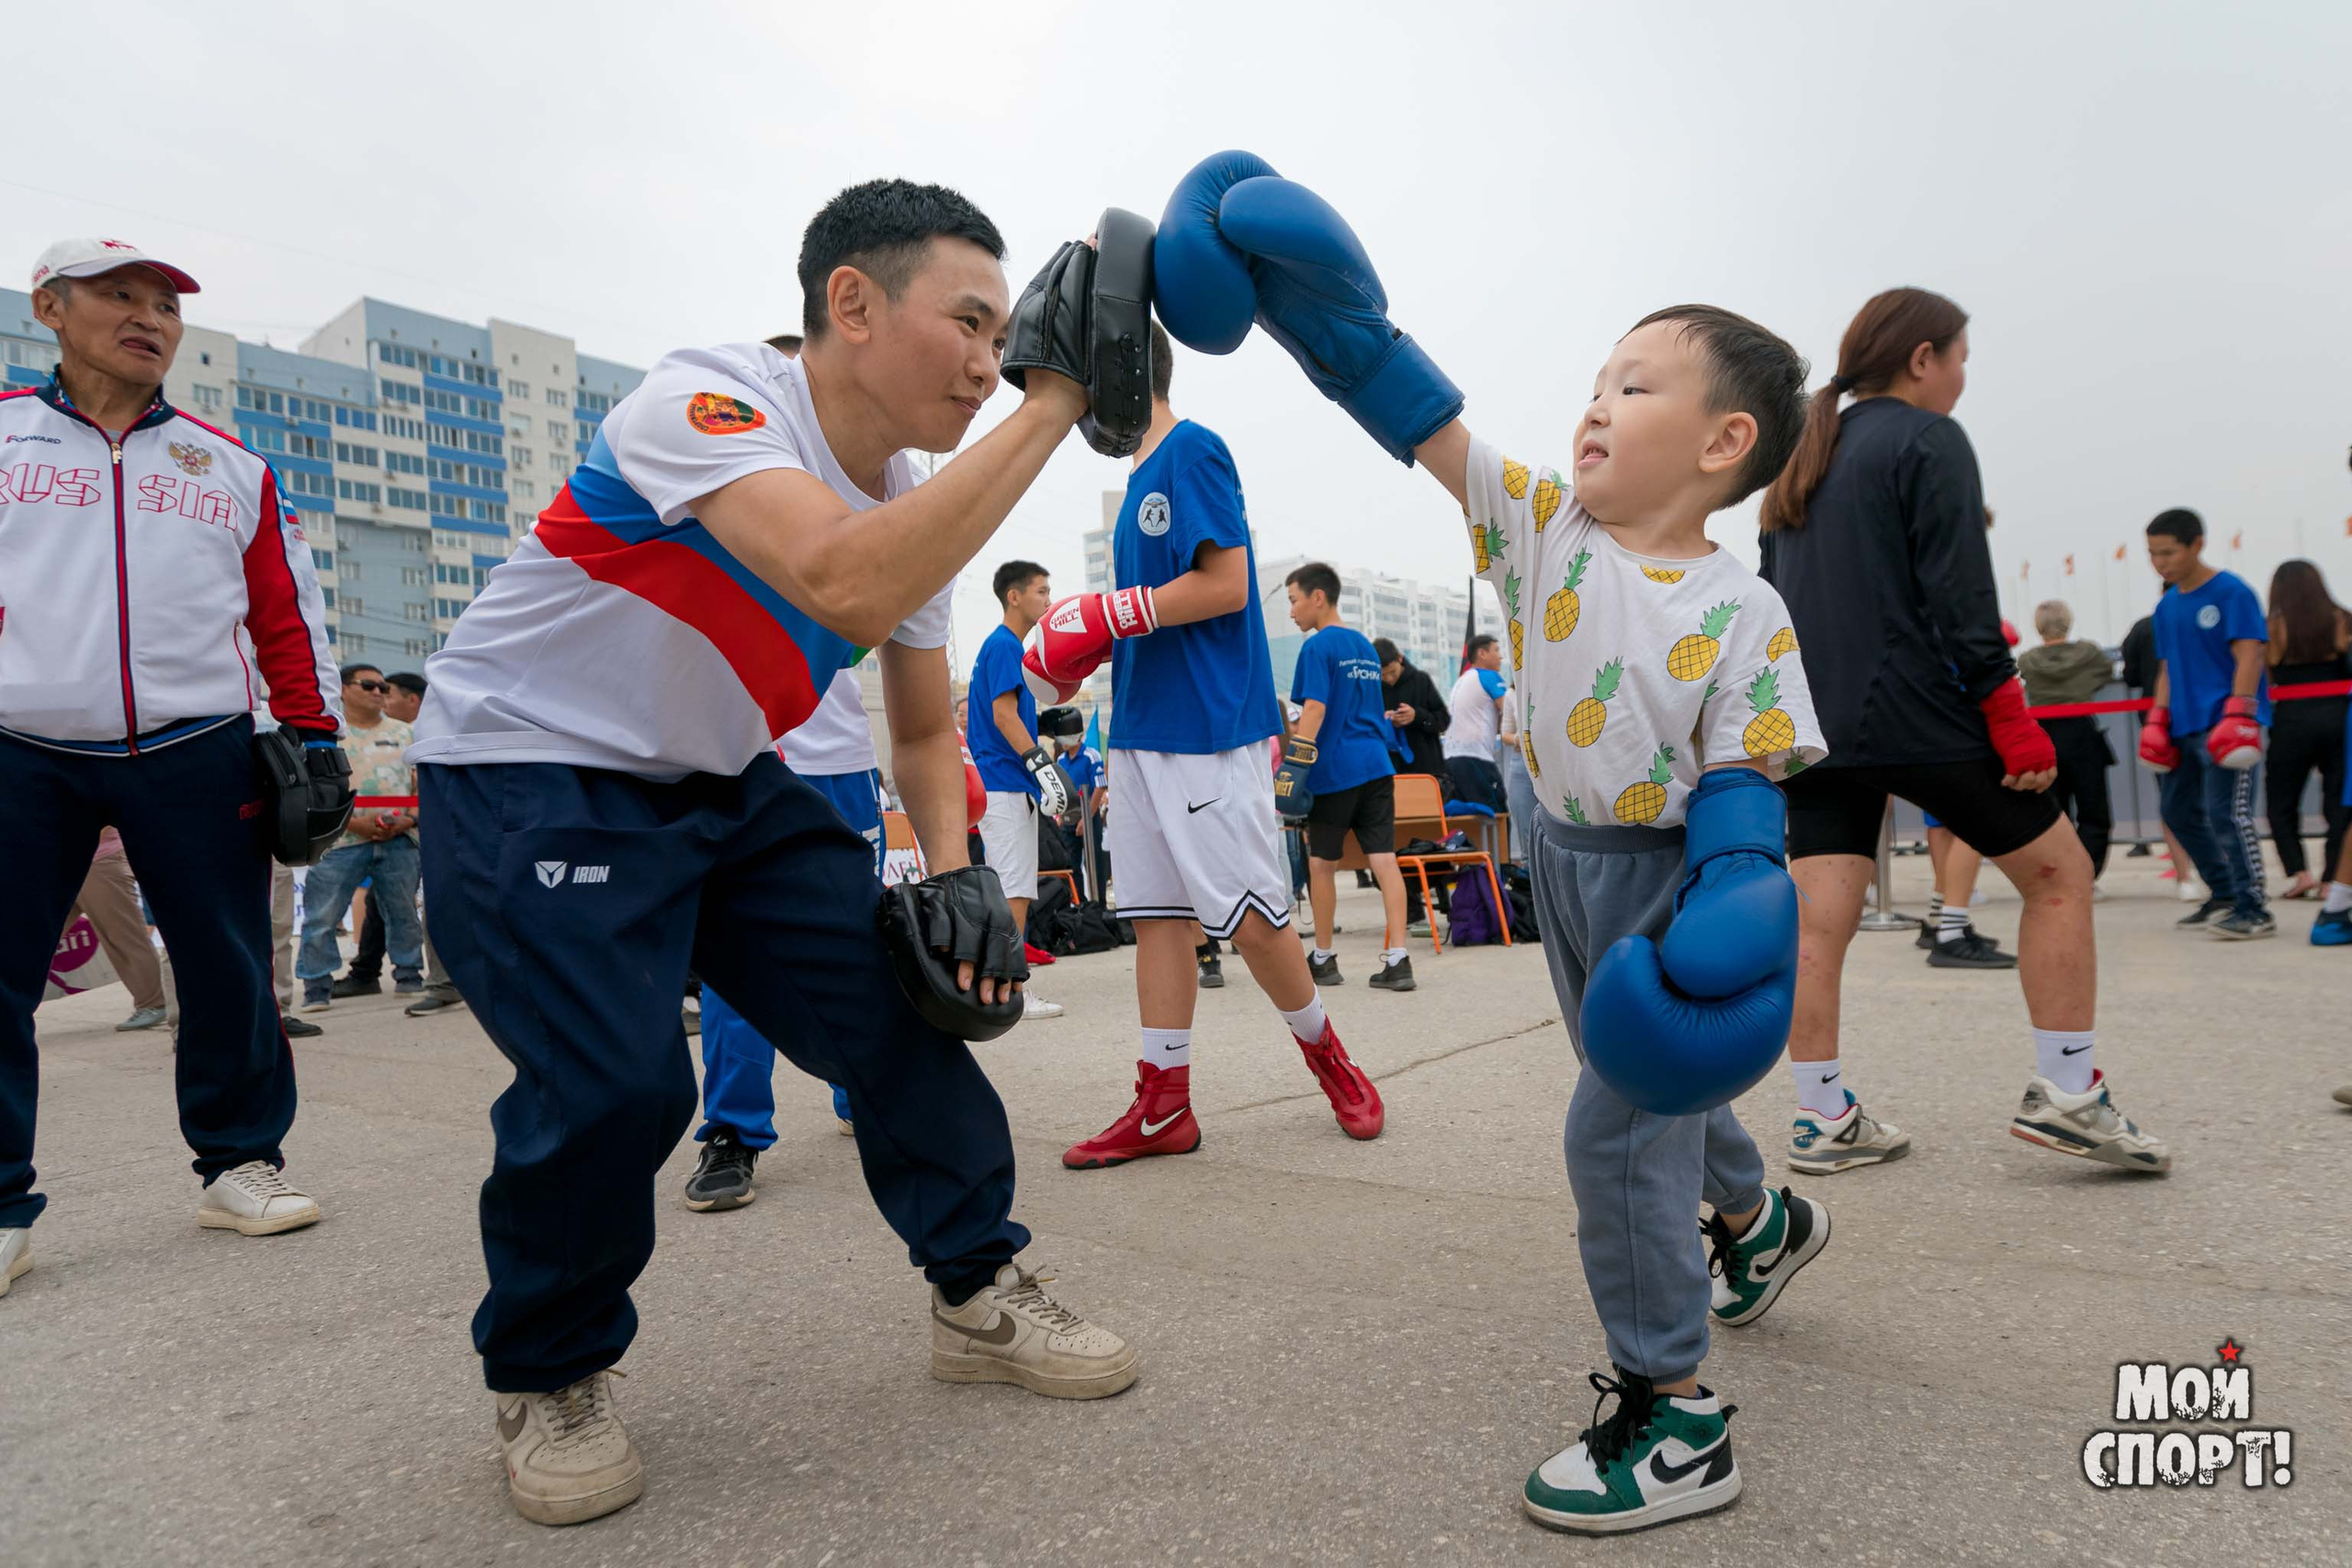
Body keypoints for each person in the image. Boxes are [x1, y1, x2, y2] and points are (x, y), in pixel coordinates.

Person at [407, 181, 1136, 1524]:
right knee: (621, 1086)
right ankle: (548, 1367)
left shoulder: (919, 498)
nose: (989, 363)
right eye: (969, 325)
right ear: (850, 305)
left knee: (910, 1012)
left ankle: (975, 1289)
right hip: (531, 765)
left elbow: (923, 732)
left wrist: (958, 874)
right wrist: (1053, 402)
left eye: (1004, 335)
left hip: (722, 780)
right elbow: (844, 580)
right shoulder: (712, 400)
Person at [1158, 157, 1845, 1529]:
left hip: (1663, 874)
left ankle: (1677, 1410)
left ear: (1725, 443)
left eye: (1637, 383)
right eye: (1597, 376)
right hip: (1559, 859)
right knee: (1637, 1077)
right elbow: (1407, 405)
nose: (1598, 399)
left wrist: (1735, 886)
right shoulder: (1543, 525)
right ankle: (1759, 1221)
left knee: (1617, 1128)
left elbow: (1748, 773)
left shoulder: (1742, 605)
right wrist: (1316, 314)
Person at [1756, 287, 2166, 1176]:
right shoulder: (1926, 439)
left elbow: (1768, 601)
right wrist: (2007, 712)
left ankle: (1820, 1114)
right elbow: (1959, 595)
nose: (1962, 378)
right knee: (2060, 874)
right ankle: (2067, 1094)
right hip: (1913, 708)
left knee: (1818, 921)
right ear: (1921, 358)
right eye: (1961, 359)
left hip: (1811, 724)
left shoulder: (1804, 454)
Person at [2, 239, 342, 1296]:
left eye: (165, 305)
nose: (149, 317)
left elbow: (283, 614)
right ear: (50, 307)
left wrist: (315, 733)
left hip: (197, 745)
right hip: (23, 746)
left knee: (230, 963)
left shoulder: (228, 464)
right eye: (120, 297)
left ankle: (239, 1164)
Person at [1034, 326, 1382, 1168]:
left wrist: (1112, 612)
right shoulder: (1136, 479)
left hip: (1206, 730)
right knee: (1158, 919)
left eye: (1083, 382)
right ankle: (1164, 1105)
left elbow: (1226, 584)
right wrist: (1089, 648)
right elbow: (1157, 616)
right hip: (1143, 730)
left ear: (1118, 374)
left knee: (1257, 922)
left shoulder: (1193, 448)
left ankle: (1329, 1057)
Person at [684, 668, 900, 1211]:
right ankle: (733, 1130)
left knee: (860, 942)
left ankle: (861, 1093)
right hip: (740, 752)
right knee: (736, 956)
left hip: (842, 758)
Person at [2140, 508, 2273, 939]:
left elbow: (2251, 653)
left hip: (2225, 725)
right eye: (2153, 554)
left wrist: (2240, 712)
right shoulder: (2168, 605)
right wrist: (2157, 718)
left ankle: (2255, 908)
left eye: (2169, 552)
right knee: (2177, 810)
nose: (2161, 562)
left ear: (2197, 544)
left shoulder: (2231, 592)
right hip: (2183, 724)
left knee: (2227, 813)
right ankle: (2225, 894)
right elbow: (2167, 668)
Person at [1284, 563, 1417, 990]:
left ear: (1317, 597)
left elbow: (1316, 709)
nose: (1292, 611)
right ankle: (1398, 958)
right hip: (1376, 763)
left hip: (1336, 768)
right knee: (1383, 857)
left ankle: (1323, 958)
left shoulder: (1317, 647)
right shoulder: (1363, 645)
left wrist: (1294, 765)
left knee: (1322, 864)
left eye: (1293, 600)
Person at [968, 559, 1069, 1020]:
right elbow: (1003, 716)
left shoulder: (1006, 649)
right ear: (1015, 596)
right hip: (1005, 784)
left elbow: (1008, 714)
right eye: (1041, 592)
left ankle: (1001, 985)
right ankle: (1012, 992)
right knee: (1014, 890)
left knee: (1013, 887)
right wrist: (1039, 761)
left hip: (1006, 784)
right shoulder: (1005, 646)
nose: (1048, 600)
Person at [296, 665, 425, 1010]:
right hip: (342, 841)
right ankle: (316, 988)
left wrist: (408, 820)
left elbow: (422, 785)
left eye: (383, 687)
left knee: (403, 913)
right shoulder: (326, 737)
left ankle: (410, 975)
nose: (379, 692)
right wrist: (354, 823)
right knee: (322, 916)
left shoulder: (406, 733)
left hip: (400, 839)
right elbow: (314, 792)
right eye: (369, 685)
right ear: (342, 688)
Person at [2262, 559, 2349, 899]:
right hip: (2339, 719)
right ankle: (2332, 878)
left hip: (2292, 721)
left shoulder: (2273, 628)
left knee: (2281, 800)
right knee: (2340, 802)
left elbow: (2266, 677)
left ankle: (2300, 874)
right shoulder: (2342, 620)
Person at [2017, 600, 2117, 886]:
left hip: (2043, 734)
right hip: (2082, 733)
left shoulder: (2027, 662)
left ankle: (2060, 872)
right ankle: (2088, 871)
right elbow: (2105, 673)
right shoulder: (2089, 655)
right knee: (2094, 809)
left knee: (2051, 813)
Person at [66, 831, 167, 1032]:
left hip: (99, 861)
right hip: (61, 864)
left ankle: (155, 1003)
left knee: (124, 937)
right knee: (29, 940)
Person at [1441, 634, 1510, 811]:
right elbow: (1509, 711)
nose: (1500, 656)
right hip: (1475, 756)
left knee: (1469, 820)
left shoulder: (1461, 680)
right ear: (1482, 654)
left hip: (1451, 757)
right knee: (1497, 813)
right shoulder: (1489, 676)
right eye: (1496, 650)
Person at [1376, 637, 1450, 781]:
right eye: (1382, 675)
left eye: (1392, 672)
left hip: (1426, 770)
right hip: (1389, 771)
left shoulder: (1421, 681)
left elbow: (1443, 720)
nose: (1389, 679)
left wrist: (1416, 716)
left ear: (1400, 658)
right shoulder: (1373, 688)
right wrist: (1383, 720)